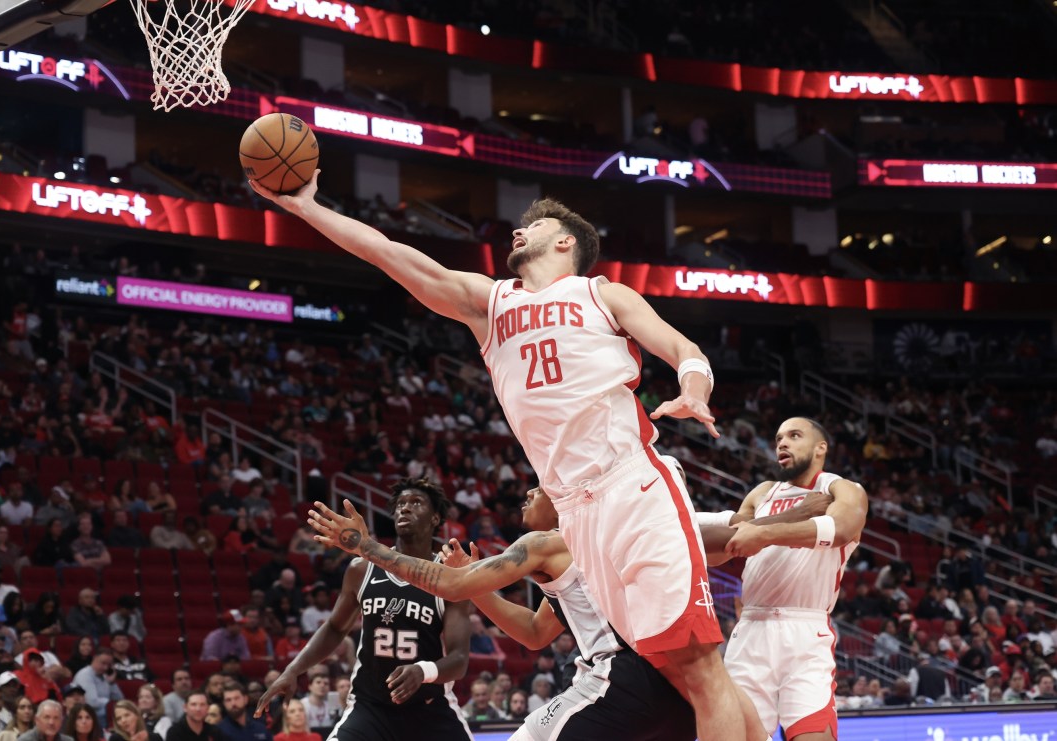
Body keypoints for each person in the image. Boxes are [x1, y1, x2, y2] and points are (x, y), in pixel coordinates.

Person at [251, 177, 753, 740]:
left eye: (536, 225)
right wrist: (307, 207)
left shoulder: (600, 293)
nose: (519, 228)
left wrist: (694, 386)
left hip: (631, 482)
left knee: (698, 666)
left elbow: (684, 348)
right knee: (674, 668)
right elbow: (392, 255)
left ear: (566, 243)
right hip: (576, 513)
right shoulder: (492, 305)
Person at [312, 481, 827, 741]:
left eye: (536, 489)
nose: (526, 496)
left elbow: (446, 581)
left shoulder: (548, 541)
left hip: (618, 678)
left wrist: (367, 547)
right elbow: (536, 633)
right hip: (674, 690)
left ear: (562, 500)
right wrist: (809, 511)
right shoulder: (613, 539)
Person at [254, 478, 472, 741]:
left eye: (416, 502)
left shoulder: (449, 577)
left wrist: (423, 671)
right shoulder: (362, 569)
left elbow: (459, 659)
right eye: (400, 503)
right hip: (371, 708)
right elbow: (335, 628)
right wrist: (292, 670)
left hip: (430, 710)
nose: (405, 508)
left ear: (435, 518)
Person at [720, 417, 869, 741]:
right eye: (778, 438)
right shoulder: (761, 494)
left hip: (805, 628)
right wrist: (781, 523)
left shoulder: (840, 488)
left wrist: (765, 533)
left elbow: (842, 529)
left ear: (821, 448)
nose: (782, 443)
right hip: (751, 628)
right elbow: (731, 540)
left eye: (794, 435)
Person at [73, 649, 123, 727]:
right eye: (103, 663)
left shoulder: (105, 676)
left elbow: (121, 700)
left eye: (109, 665)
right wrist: (110, 703)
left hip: (105, 716)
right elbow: (92, 702)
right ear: (94, 658)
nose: (106, 668)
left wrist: (112, 683)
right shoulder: (85, 675)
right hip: (89, 717)